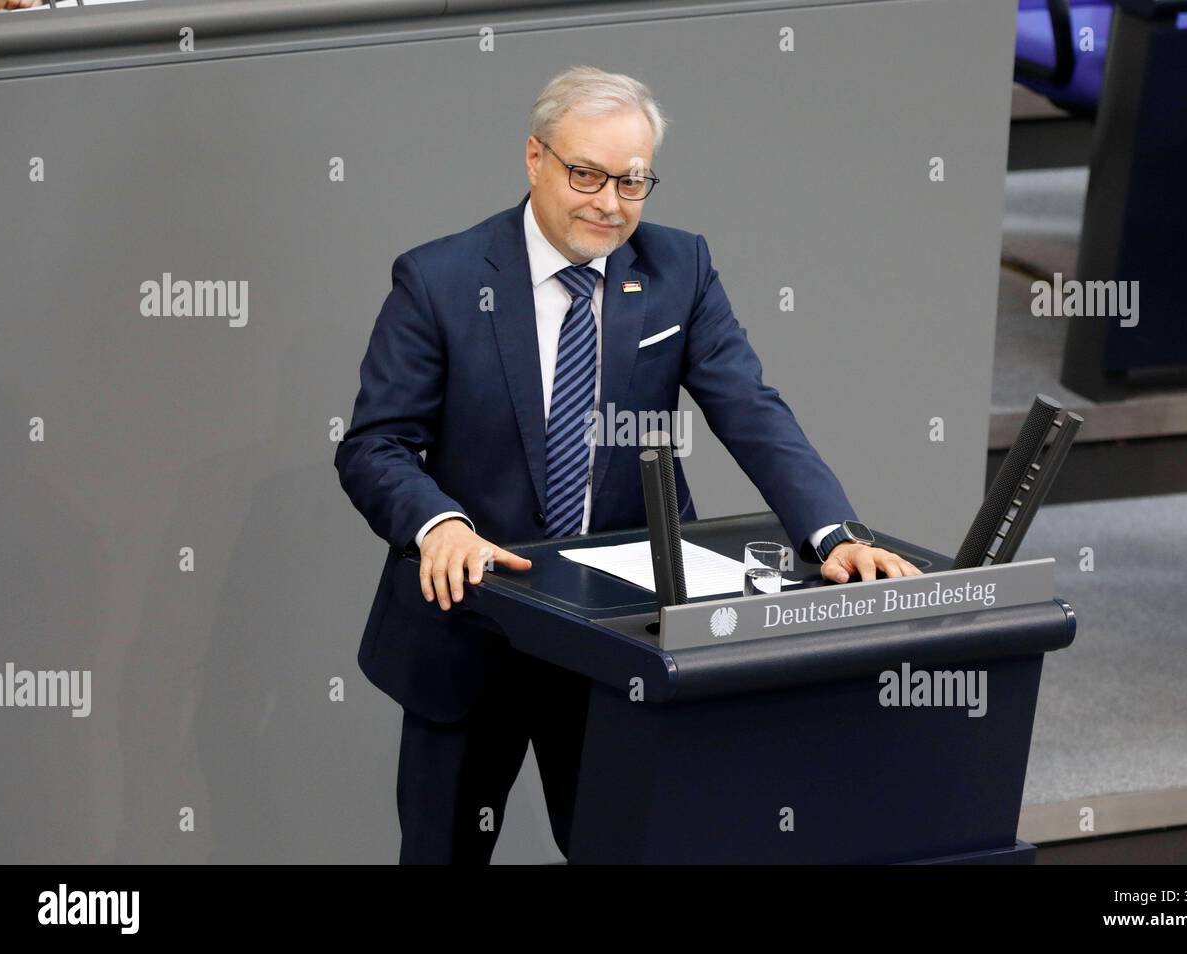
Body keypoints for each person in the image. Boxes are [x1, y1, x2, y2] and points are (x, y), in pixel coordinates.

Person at [334, 64, 922, 864]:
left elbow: (751, 410)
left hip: (623, 638)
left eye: (634, 181)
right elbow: (375, 445)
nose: (611, 204)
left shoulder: (680, 269)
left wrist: (833, 532)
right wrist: (439, 525)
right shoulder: (440, 280)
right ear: (535, 159)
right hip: (471, 630)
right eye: (587, 175)